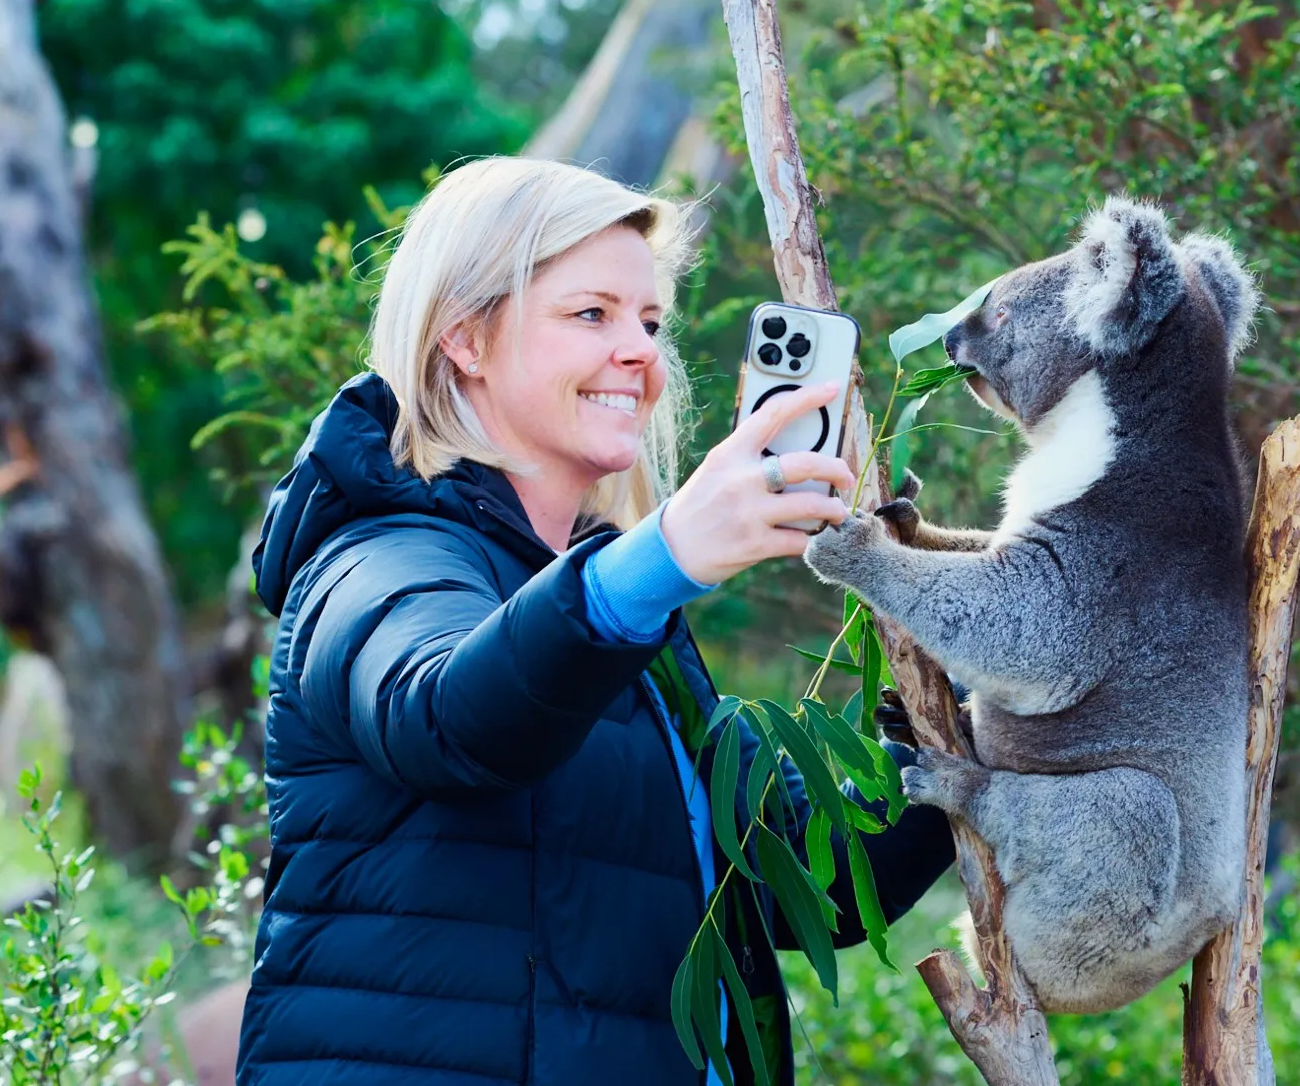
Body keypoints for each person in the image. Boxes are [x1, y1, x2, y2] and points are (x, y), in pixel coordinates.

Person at [234, 157, 956, 1086]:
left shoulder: (621, 618)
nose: (642, 353)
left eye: (650, 322)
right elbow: (451, 718)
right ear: (466, 338)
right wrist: (664, 556)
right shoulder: (374, 560)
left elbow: (803, 881)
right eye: (592, 315)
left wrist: (993, 705)